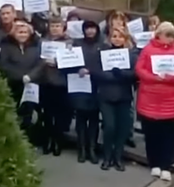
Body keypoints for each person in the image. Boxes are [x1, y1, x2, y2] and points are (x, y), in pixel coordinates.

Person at [135, 22, 174, 182]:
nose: (170, 39)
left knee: (169, 135)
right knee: (152, 134)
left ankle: (166, 166)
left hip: (170, 100)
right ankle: (154, 163)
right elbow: (139, 69)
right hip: (149, 98)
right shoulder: (148, 49)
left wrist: (170, 77)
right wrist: (154, 77)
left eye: (172, 35)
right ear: (158, 35)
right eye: (167, 35)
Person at [91, 27, 138, 171]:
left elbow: (135, 74)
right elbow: (96, 72)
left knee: (122, 129)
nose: (117, 39)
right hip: (106, 95)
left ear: (125, 39)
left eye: (120, 36)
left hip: (124, 96)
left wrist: (121, 74)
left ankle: (118, 157)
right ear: (109, 38)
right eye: (114, 36)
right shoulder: (102, 53)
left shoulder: (131, 55)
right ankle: (107, 157)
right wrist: (111, 76)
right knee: (109, 127)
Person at [0, 21, 43, 140]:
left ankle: (27, 138)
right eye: (20, 32)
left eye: (25, 32)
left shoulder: (36, 46)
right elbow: (4, 65)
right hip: (13, 84)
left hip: (31, 85)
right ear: (14, 33)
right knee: (13, 112)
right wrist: (21, 77)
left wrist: (30, 76)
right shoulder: (6, 45)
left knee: (28, 113)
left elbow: (40, 63)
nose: (22, 35)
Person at [35, 16, 73, 156]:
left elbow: (72, 61)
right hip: (45, 81)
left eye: (58, 26)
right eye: (52, 26)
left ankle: (58, 142)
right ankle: (47, 141)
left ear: (63, 27)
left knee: (60, 115)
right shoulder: (43, 42)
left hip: (61, 83)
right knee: (47, 114)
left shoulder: (70, 42)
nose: (55, 29)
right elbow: (37, 59)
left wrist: (59, 63)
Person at [71, 20, 103, 164]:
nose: (90, 31)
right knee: (81, 120)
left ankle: (92, 149)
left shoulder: (103, 45)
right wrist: (78, 69)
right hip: (79, 86)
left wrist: (92, 71)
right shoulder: (77, 44)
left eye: (92, 28)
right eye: (87, 29)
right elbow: (70, 62)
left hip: (96, 86)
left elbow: (105, 65)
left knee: (94, 121)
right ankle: (82, 149)